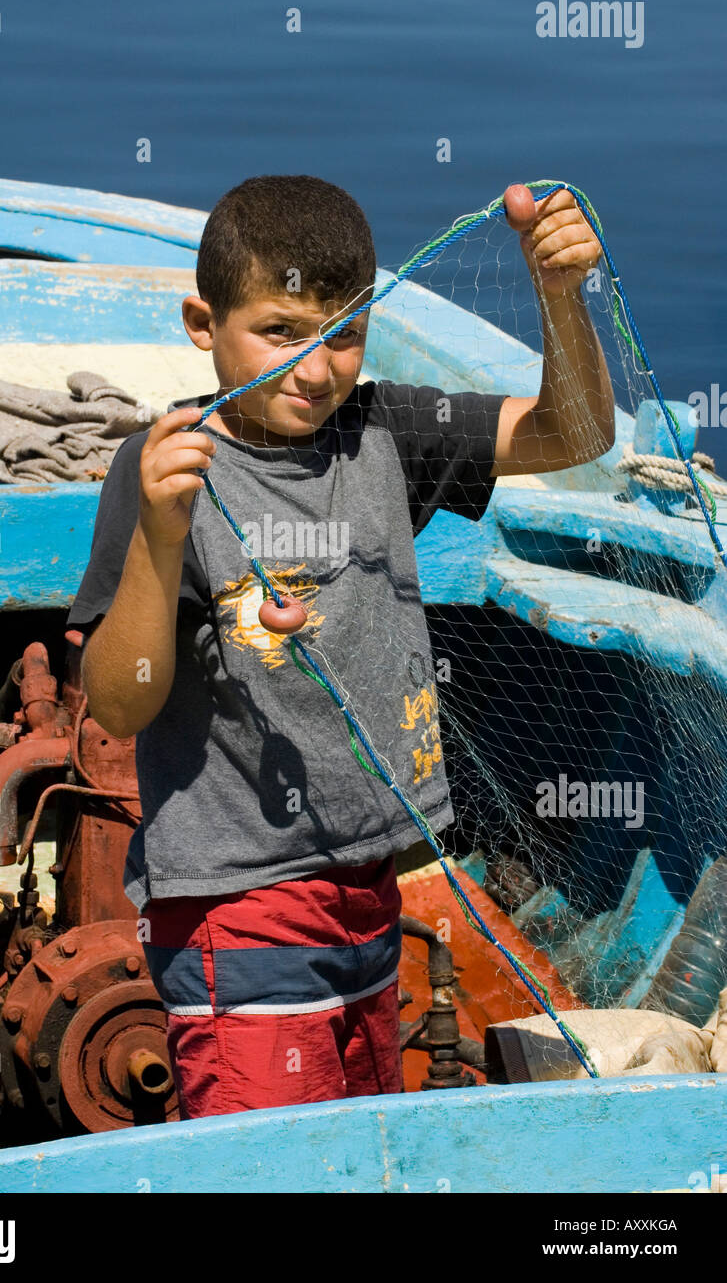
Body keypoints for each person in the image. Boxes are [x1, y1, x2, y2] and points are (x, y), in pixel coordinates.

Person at [66, 174, 613, 1118]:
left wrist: (560, 298)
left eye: (343, 334)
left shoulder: (383, 432)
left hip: (371, 891)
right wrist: (161, 533)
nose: (314, 370)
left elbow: (576, 433)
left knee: (355, 1157)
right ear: (203, 323)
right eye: (279, 332)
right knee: (276, 1172)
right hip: (235, 912)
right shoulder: (161, 467)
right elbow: (119, 704)